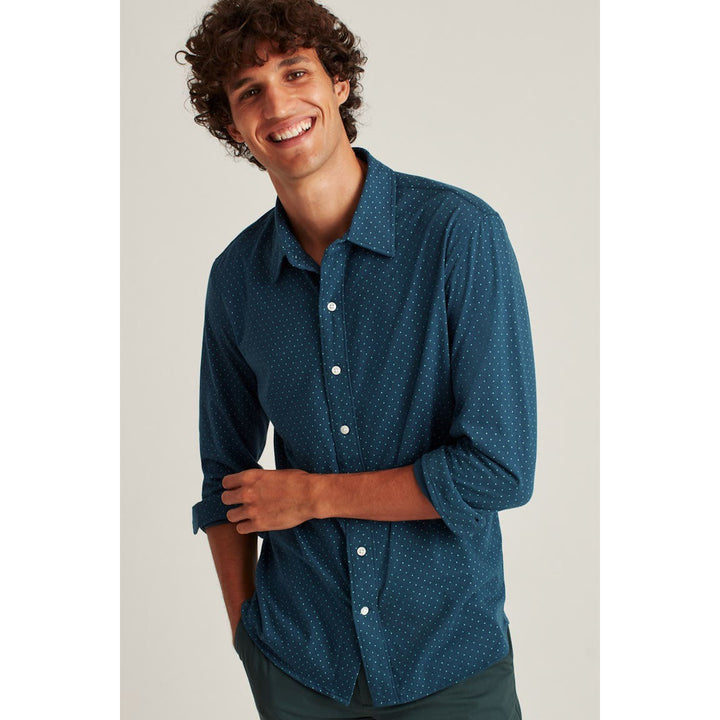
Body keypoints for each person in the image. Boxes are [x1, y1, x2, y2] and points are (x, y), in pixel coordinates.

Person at [178, 1, 536, 718]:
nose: (278, 104)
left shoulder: (458, 236)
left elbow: (498, 469)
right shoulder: (237, 279)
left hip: (450, 660)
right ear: (233, 125)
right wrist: (248, 637)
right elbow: (224, 477)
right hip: (300, 663)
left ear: (338, 82)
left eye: (295, 72)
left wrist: (313, 496)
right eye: (249, 91)